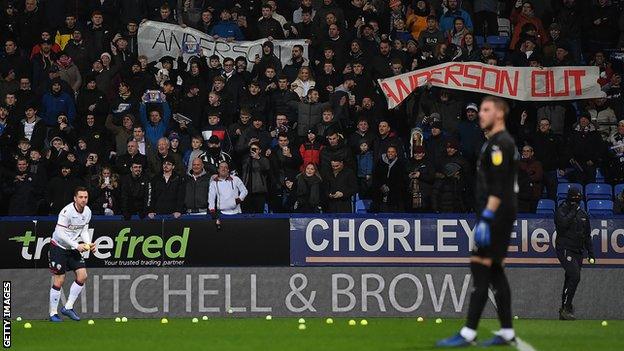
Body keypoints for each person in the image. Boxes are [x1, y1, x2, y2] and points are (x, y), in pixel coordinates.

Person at [437, 96, 518, 347]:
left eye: (486, 110)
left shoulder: (499, 145)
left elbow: (499, 185)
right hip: (498, 215)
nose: (481, 114)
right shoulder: (494, 143)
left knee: (481, 270)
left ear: (500, 115)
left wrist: (487, 218)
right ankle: (506, 332)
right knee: (494, 272)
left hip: (495, 216)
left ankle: (469, 333)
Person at [48, 186, 94, 322]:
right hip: (59, 246)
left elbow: (84, 230)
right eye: (81, 197)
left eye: (85, 197)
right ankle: (53, 313)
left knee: (82, 276)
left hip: (73, 247)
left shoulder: (87, 212)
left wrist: (89, 243)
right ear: (75, 198)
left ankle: (68, 307)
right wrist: (77, 245)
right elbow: (61, 234)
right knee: (59, 279)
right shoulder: (66, 212)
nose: (83, 200)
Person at [554, 187, 596, 320]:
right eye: (574, 199)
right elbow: (562, 225)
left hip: (578, 251)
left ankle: (564, 309)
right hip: (565, 248)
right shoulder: (561, 210)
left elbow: (587, 235)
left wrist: (591, 253)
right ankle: (567, 308)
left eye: (578, 200)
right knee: (575, 276)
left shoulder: (583, 214)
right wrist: (572, 210)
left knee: (570, 278)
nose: (576, 202)